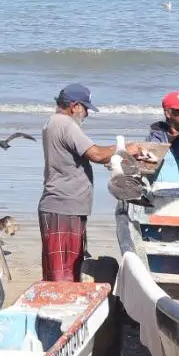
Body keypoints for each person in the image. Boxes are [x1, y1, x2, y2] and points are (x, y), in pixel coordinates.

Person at [39, 83, 142, 282]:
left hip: (64, 205)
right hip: (64, 205)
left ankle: (61, 306)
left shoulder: (53, 122)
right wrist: (124, 149)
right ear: (75, 106)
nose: (86, 113)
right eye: (85, 108)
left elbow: (86, 155)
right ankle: (60, 309)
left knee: (64, 268)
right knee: (63, 274)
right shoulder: (66, 124)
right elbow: (95, 154)